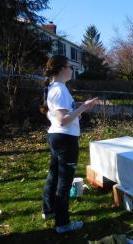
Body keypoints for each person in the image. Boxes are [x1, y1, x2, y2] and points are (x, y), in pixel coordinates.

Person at [40, 55, 98, 234]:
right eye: (69, 66)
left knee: (54, 175)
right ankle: (62, 224)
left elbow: (63, 115)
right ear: (61, 69)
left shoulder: (57, 88)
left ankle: (48, 210)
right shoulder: (59, 90)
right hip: (65, 140)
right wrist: (84, 107)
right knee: (64, 183)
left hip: (58, 137)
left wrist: (77, 112)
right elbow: (63, 120)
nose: (71, 69)